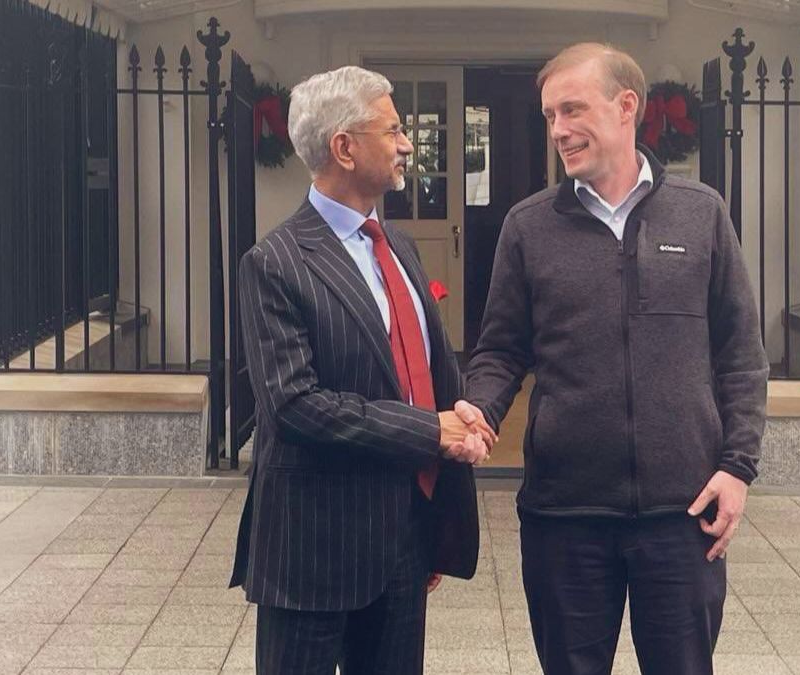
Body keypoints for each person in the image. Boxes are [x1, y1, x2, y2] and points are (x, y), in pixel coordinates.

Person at [465, 43, 769, 675]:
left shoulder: (702, 213)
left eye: (572, 109)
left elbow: (740, 354)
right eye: (550, 115)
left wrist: (737, 469)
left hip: (682, 516)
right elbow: (500, 347)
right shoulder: (529, 226)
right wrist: (479, 409)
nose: (559, 130)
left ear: (626, 106)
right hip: (563, 516)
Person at [229, 65, 497, 674]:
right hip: (314, 552)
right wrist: (430, 432)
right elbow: (294, 405)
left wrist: (461, 419)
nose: (407, 144)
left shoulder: (397, 244)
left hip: (403, 538)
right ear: (344, 147)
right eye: (394, 129)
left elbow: (422, 367)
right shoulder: (274, 263)